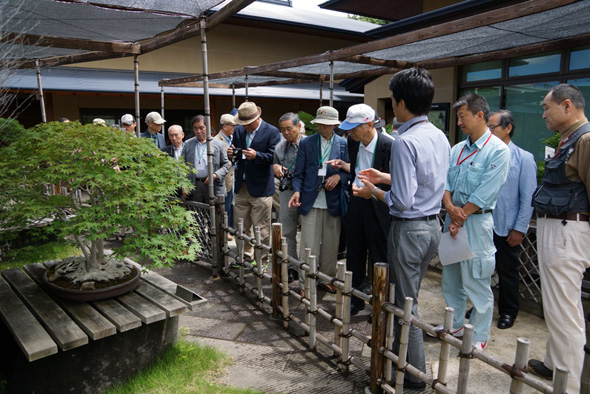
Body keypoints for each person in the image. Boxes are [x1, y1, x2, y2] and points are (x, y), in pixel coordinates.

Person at [352, 67, 450, 390]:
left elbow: (403, 201)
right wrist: (384, 177)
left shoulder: (404, 142)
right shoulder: (438, 136)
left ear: (402, 103)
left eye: (393, 100)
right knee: (409, 297)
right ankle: (401, 361)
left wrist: (374, 192)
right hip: (432, 227)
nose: (391, 106)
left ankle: (413, 376)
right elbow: (424, 184)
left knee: (406, 304)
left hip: (408, 230)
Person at [528, 84, 590, 393]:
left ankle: (568, 386)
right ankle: (554, 364)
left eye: (546, 107)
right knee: (556, 305)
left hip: (569, 230)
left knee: (565, 312)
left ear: (567, 106)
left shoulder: (586, 140)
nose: (543, 114)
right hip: (557, 228)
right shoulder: (570, 139)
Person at [442, 93, 510, 352]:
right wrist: (450, 208)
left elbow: (486, 192)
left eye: (462, 116)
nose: (459, 122)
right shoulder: (457, 149)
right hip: (452, 219)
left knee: (477, 281)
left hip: (476, 224)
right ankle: (455, 324)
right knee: (451, 279)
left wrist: (461, 216)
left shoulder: (498, 151)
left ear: (480, 115)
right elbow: (446, 182)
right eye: (458, 117)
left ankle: (479, 336)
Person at [329, 104, 392, 315]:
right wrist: (344, 167)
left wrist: (374, 190)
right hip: (357, 201)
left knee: (379, 255)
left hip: (379, 204)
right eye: (349, 128)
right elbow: (356, 168)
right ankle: (356, 298)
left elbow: (398, 181)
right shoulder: (353, 143)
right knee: (354, 251)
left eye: (355, 127)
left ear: (368, 124)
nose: (351, 132)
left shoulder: (389, 145)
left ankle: (380, 303)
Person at [289, 106, 350, 292]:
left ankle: (327, 279)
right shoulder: (307, 143)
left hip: (333, 201)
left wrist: (339, 177)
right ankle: (306, 283)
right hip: (310, 200)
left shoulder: (343, 144)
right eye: (321, 125)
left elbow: (351, 172)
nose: (324, 128)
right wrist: (297, 191)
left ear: (335, 125)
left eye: (328, 125)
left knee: (331, 245)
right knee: (309, 245)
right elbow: (298, 173)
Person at [487, 110, 536, 330]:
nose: (489, 131)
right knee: (482, 269)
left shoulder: (523, 158)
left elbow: (528, 198)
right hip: (484, 224)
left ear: (508, 128)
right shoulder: (486, 154)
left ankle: (508, 311)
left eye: (493, 127)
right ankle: (483, 306)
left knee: (507, 272)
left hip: (507, 226)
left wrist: (519, 228)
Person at [228, 102, 281, 266]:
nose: (245, 127)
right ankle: (244, 257)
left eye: (247, 124)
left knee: (262, 227)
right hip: (241, 185)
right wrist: (232, 154)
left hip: (262, 186)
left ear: (256, 119)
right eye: (242, 124)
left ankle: (263, 260)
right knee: (241, 225)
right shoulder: (238, 131)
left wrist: (256, 155)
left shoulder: (272, 131)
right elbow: (236, 156)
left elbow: (274, 156)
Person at [274, 113, 304, 281]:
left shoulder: (309, 144)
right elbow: (275, 163)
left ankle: (308, 266)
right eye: (283, 129)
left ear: (299, 126)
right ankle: (292, 266)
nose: (286, 133)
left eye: (289, 129)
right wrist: (276, 167)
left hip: (307, 192)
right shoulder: (279, 147)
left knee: (308, 232)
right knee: (287, 231)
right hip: (287, 192)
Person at [184, 115, 230, 203]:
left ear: (207, 127)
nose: (198, 131)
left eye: (201, 128)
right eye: (195, 128)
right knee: (196, 213)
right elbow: (181, 166)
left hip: (213, 185)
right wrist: (183, 185)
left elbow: (226, 164)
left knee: (214, 213)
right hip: (194, 184)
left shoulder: (219, 144)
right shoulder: (188, 144)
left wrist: (215, 175)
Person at [215, 114, 236, 239]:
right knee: (224, 207)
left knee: (231, 206)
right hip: (223, 180)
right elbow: (218, 162)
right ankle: (223, 232)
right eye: (233, 125)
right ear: (225, 126)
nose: (235, 128)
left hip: (233, 177)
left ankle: (229, 229)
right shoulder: (216, 140)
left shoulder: (232, 139)